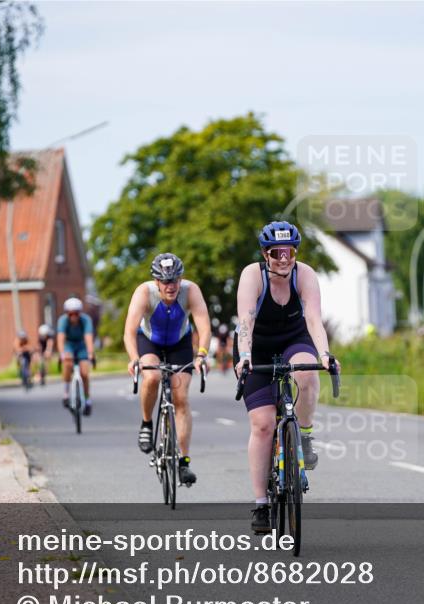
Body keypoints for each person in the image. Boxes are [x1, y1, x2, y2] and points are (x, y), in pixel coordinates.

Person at [234, 221, 340, 534]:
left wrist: (324, 355)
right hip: (258, 350)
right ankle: (261, 504)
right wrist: (244, 357)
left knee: (307, 374)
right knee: (263, 425)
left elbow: (313, 320)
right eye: (277, 252)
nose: (284, 258)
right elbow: (245, 322)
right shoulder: (251, 276)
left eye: (289, 251)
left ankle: (304, 436)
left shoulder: (304, 274)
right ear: (265, 254)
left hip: (295, 340)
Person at [123, 253, 211, 486]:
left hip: (180, 343)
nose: (170, 286)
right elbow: (129, 331)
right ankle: (146, 423)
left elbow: (204, 326)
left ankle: (183, 462)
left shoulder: (191, 291)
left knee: (181, 398)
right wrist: (134, 358)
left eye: (175, 280)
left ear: (181, 279)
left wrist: (201, 354)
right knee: (151, 377)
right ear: (156, 281)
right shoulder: (144, 292)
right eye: (165, 281)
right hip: (150, 340)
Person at [56, 297, 95, 415]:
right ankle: (66, 393)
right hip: (69, 345)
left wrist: (90, 353)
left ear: (80, 312)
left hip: (82, 345)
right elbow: (60, 338)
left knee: (84, 372)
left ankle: (87, 399)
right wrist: (62, 354)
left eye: (76, 313)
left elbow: (88, 337)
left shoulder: (86, 320)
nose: (74, 316)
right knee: (67, 363)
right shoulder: (63, 321)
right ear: (67, 313)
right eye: (71, 313)